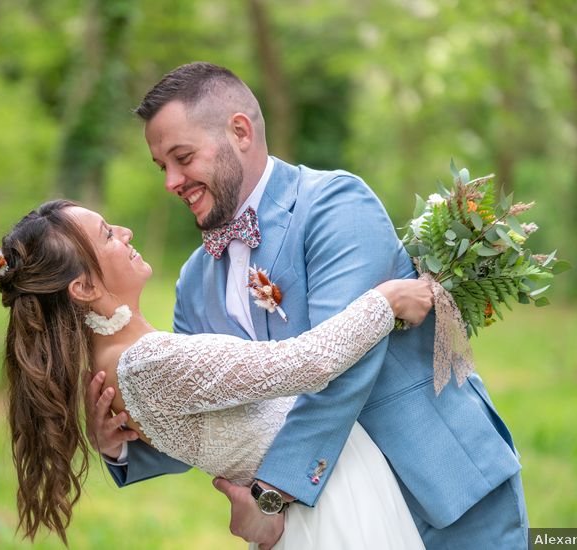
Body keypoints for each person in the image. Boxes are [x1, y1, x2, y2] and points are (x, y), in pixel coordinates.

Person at [86, 62, 529, 549]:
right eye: (162, 167)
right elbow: (203, 414)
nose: (171, 180)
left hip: (438, 492)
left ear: (240, 132)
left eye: (183, 157)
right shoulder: (195, 280)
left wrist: (271, 497)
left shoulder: (334, 204)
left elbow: (343, 372)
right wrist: (122, 445)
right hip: (326, 521)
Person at [0, 199, 434, 547]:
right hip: (331, 507)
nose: (125, 232)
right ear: (84, 288)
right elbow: (305, 365)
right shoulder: (149, 364)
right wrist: (386, 301)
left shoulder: (121, 365)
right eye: (107, 235)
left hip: (308, 506)